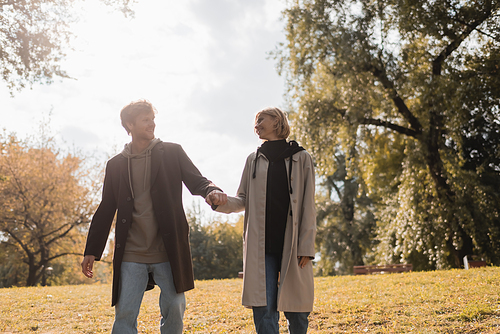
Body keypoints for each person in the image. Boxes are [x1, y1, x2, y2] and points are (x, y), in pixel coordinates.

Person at [81, 99, 227, 334]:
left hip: (167, 248)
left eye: (153, 119)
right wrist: (92, 250)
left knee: (174, 306)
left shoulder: (172, 152)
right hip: (131, 251)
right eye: (145, 119)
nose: (152, 124)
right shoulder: (116, 165)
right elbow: (106, 207)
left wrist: (211, 190)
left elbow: (196, 180)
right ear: (130, 124)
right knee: (125, 313)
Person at [210, 107, 316, 334]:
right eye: (255, 122)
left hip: (293, 245)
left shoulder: (302, 158)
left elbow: (308, 204)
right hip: (262, 247)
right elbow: (242, 200)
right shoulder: (253, 160)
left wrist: (307, 245)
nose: (256, 125)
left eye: (260, 120)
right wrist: (220, 201)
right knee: (263, 308)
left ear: (277, 120)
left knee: (297, 310)